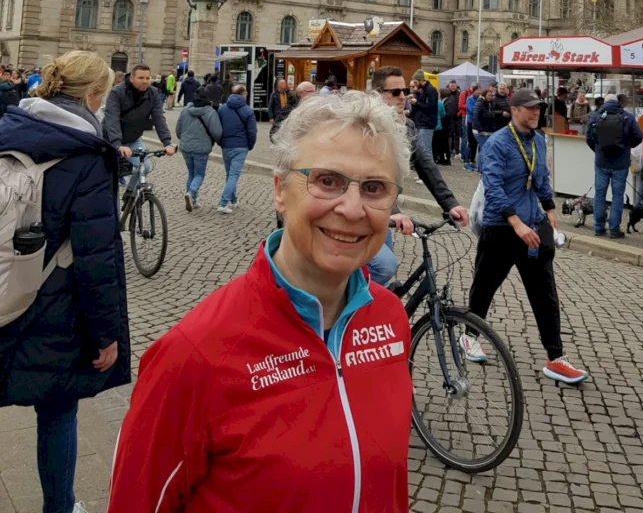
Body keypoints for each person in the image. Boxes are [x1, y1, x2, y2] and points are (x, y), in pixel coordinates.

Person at [107, 91, 413, 512]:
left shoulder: (390, 317)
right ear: (279, 191)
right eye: (327, 181)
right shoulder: (194, 355)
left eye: (374, 187)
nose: (352, 208)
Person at [0, 51, 130, 513]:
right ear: (94, 97)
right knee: (56, 412)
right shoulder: (87, 155)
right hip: (53, 304)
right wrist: (106, 334)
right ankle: (60, 507)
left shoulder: (8, 127)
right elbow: (97, 259)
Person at [465, 88, 589, 384]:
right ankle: (469, 335)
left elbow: (542, 178)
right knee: (485, 285)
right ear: (515, 109)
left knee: (545, 293)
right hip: (502, 227)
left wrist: (549, 209)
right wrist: (515, 222)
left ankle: (555, 357)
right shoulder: (497, 143)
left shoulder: (540, 141)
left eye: (538, 108)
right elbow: (493, 187)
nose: (536, 113)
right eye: (530, 108)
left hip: (535, 224)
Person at [371, 66, 469, 284]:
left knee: (381, 284)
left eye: (404, 90)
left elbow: (426, 165)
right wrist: (394, 212)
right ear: (377, 95)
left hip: (384, 212)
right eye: (395, 92)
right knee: (383, 267)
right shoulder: (366, 127)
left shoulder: (405, 125)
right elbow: (367, 178)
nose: (402, 97)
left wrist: (450, 203)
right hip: (361, 211)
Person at [103, 64, 175, 193]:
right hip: (110, 140)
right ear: (131, 78)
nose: (145, 81)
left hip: (133, 139)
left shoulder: (153, 93)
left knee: (145, 166)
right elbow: (112, 119)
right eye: (141, 78)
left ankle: (130, 193)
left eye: (148, 78)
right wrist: (118, 144)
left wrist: (167, 142)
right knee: (109, 177)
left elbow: (159, 118)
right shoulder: (117, 92)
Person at [586, 93, 643, 239]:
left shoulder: (595, 116)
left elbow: (589, 138)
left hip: (601, 162)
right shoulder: (627, 117)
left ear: (604, 102)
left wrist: (598, 150)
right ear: (617, 102)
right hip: (620, 163)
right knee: (618, 195)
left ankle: (598, 227)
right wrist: (626, 148)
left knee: (600, 194)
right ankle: (614, 229)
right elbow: (639, 136)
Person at [176, 87, 223, 210]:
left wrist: (184, 138)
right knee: (199, 174)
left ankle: (193, 200)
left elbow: (178, 130)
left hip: (186, 147)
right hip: (201, 148)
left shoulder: (185, 109)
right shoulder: (210, 112)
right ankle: (191, 193)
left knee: (191, 174)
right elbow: (217, 132)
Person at [215, 84, 257, 213]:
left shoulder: (222, 109)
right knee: (234, 174)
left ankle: (233, 200)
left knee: (229, 174)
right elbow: (252, 132)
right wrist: (250, 145)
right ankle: (222, 203)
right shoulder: (248, 111)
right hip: (240, 145)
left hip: (226, 145)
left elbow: (217, 127)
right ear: (243, 94)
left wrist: (220, 142)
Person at [409, 70, 438, 154]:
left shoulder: (430, 90)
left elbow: (430, 107)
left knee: (426, 150)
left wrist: (416, 103)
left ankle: (429, 167)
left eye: (415, 82)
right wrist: (415, 95)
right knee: (422, 149)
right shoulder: (424, 90)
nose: (414, 84)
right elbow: (423, 101)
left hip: (427, 123)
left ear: (421, 80)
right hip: (422, 122)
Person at [472, 86, 497, 157]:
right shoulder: (479, 103)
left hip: (488, 129)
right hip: (480, 130)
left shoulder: (490, 104)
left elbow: (492, 116)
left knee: (484, 149)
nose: (490, 97)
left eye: (491, 95)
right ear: (484, 95)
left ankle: (482, 165)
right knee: (485, 148)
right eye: (488, 95)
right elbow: (475, 117)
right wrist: (480, 130)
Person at [432, 88, 451, 165]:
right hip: (439, 126)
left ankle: (434, 158)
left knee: (433, 144)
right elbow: (443, 115)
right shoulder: (440, 103)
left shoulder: (428, 102)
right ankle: (440, 158)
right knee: (439, 144)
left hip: (430, 126)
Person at [443, 79, 460, 157]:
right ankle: (448, 150)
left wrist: (459, 113)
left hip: (457, 117)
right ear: (449, 86)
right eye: (451, 86)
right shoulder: (446, 93)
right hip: (448, 117)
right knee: (449, 134)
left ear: (456, 86)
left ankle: (456, 150)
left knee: (457, 134)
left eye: (454, 86)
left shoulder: (459, 94)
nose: (453, 87)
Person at [465, 84, 481, 169]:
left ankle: (475, 160)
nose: (478, 91)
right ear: (473, 91)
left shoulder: (481, 99)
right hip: (471, 122)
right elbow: (472, 110)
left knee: (478, 142)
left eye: (479, 89)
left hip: (479, 123)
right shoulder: (469, 99)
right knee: (471, 142)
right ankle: (468, 160)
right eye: (477, 90)